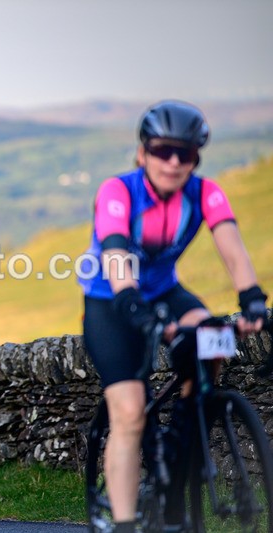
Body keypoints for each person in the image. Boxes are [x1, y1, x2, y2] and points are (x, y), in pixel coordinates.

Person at [78, 100, 267, 533]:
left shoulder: (205, 192)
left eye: (187, 153)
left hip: (165, 289)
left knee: (210, 338)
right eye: (163, 150)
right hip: (113, 299)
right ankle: (125, 522)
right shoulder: (118, 191)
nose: (174, 162)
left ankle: (182, 446)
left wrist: (252, 296)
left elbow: (232, 246)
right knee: (129, 412)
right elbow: (115, 253)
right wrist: (131, 303)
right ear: (143, 152)